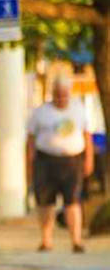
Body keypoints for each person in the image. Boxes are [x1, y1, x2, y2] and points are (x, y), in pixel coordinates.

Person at [26, 75, 94, 253]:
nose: (61, 98)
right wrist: (30, 162)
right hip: (46, 160)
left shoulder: (79, 109)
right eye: (58, 94)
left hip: (72, 161)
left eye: (64, 95)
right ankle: (46, 240)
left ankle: (76, 240)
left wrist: (89, 159)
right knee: (45, 202)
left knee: (72, 201)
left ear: (69, 94)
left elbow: (87, 135)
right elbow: (31, 139)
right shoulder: (40, 112)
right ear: (52, 94)